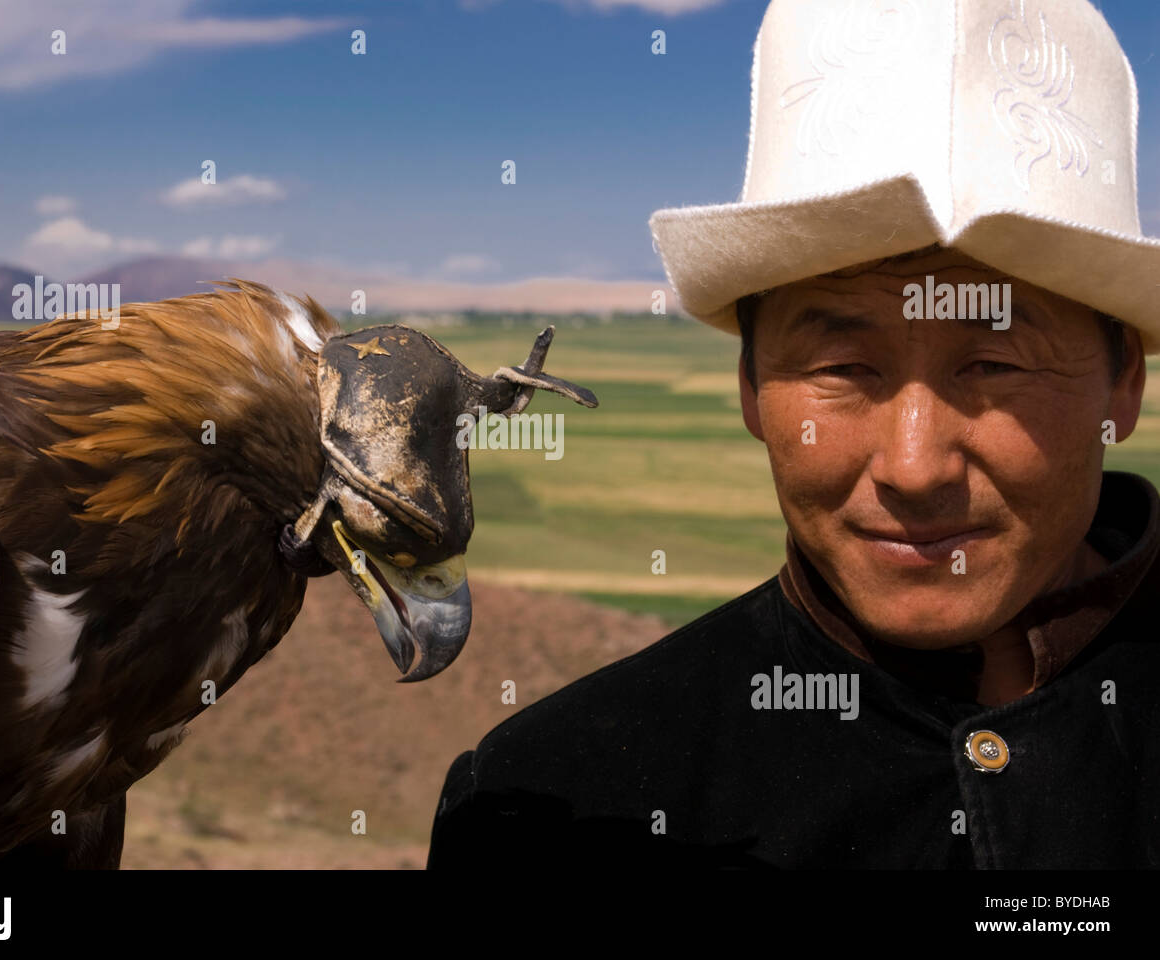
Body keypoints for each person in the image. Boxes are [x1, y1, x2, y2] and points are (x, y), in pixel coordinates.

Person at [425, 0, 1160, 868]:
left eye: (995, 366)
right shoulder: (557, 810)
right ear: (749, 386)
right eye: (844, 368)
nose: (915, 466)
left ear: (1125, 386)